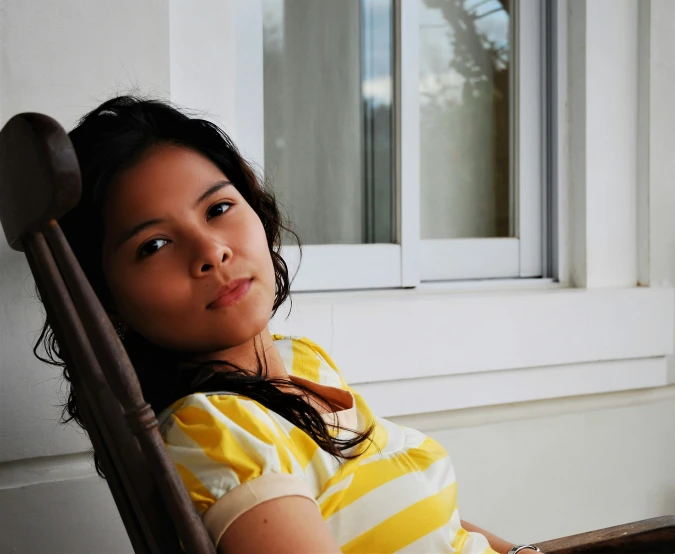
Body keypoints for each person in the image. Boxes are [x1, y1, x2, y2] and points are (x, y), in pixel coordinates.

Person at [34, 96, 540, 554]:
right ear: (108, 301)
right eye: (154, 245)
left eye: (219, 208)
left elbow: (437, 527)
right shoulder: (216, 429)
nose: (211, 251)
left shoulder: (301, 360)